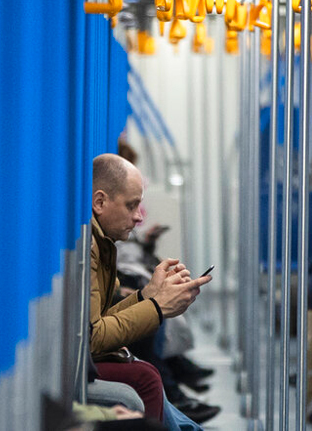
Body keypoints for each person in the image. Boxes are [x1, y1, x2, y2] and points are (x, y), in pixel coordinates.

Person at [88, 153, 214, 424]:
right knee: (144, 377)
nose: (138, 217)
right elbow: (94, 336)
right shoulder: (92, 248)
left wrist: (147, 296)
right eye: (131, 206)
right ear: (99, 202)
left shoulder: (103, 243)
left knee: (145, 372)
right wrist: (156, 308)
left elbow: (100, 317)